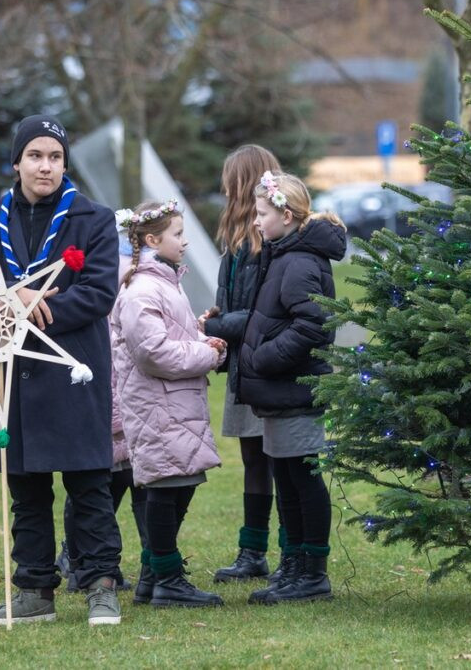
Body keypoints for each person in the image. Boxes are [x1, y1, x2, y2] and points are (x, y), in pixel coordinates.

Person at [0, 114, 122, 626]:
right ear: (16, 162)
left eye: (54, 157)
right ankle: (33, 589)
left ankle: (100, 585)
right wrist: (12, 299)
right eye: (35, 155)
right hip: (9, 369)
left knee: (89, 484)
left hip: (72, 368)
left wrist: (39, 310)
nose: (45, 166)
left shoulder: (93, 218)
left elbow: (98, 292)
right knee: (25, 487)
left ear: (64, 164)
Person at [237, 171, 346, 605]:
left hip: (296, 391)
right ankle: (294, 563)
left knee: (302, 479)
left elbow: (313, 326)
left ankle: (313, 572)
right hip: (281, 395)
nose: (256, 222)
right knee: (286, 477)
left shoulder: (299, 262)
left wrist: (264, 359)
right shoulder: (283, 253)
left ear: (286, 213)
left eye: (262, 213)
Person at [114, 200, 227, 607]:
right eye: (177, 234)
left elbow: (174, 335)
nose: (185, 241)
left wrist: (202, 341)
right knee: (166, 489)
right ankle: (166, 578)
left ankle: (152, 576)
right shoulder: (142, 288)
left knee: (180, 486)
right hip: (157, 406)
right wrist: (208, 356)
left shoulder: (165, 283)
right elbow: (153, 352)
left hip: (176, 405)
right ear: (151, 239)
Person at [201, 145, 288, 583]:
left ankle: (293, 553)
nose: (224, 187)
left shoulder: (271, 243)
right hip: (243, 366)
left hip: (267, 366)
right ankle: (252, 551)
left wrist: (224, 325)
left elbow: (264, 311)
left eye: (229, 179)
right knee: (254, 461)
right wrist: (215, 319)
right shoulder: (235, 241)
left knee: (282, 461)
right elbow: (235, 303)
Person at [56, 216, 148, 594]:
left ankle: (77, 558)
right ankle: (87, 561)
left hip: (110, 396)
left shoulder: (115, 275)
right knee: (101, 486)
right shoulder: (128, 279)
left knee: (100, 485)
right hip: (115, 398)